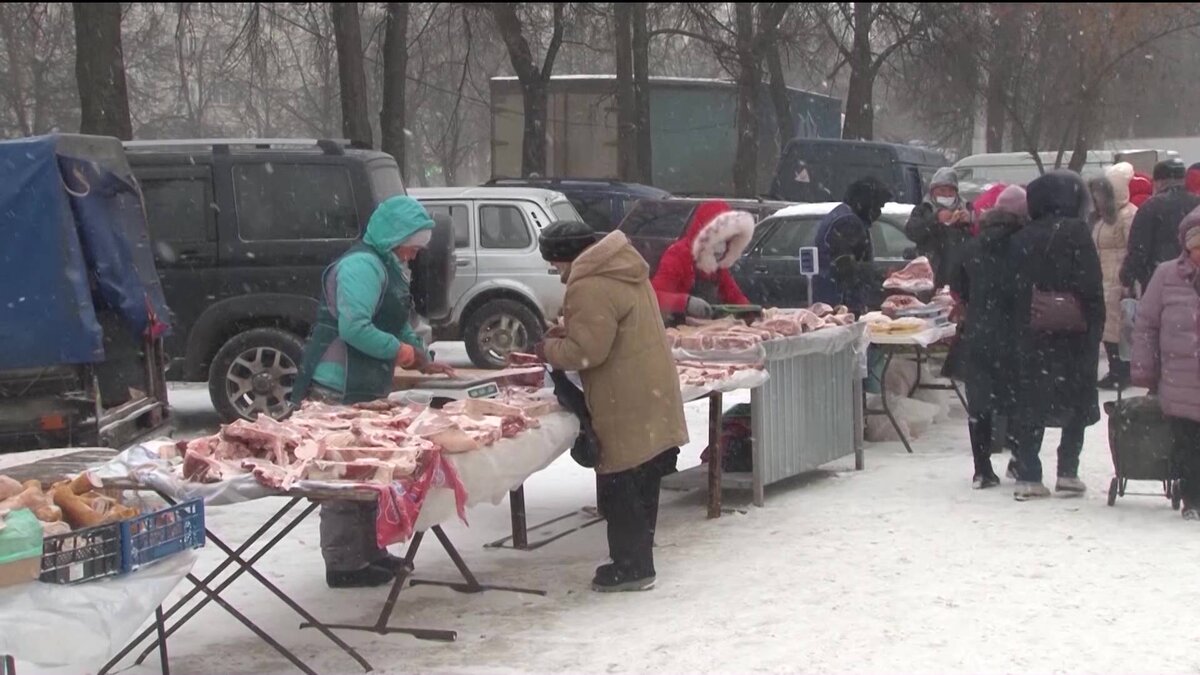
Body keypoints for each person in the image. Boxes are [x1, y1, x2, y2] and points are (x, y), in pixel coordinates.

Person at [290, 195, 456, 589]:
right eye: (413, 246)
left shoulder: (388, 264)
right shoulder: (360, 266)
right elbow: (356, 329)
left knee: (370, 472)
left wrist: (419, 355)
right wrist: (400, 352)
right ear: (397, 236)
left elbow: (393, 320)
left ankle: (370, 552)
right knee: (344, 478)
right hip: (337, 384)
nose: (415, 255)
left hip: (366, 384)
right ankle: (345, 563)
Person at [535, 221, 689, 591]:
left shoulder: (589, 283)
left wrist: (546, 349)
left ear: (563, 256)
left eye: (555, 266)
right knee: (643, 479)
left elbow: (586, 352)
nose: (558, 276)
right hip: (647, 391)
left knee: (621, 484)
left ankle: (630, 567)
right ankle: (638, 559)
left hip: (623, 398)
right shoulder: (624, 267)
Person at [1007, 170, 1105, 501]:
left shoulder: (1022, 235)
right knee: (1075, 401)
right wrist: (1094, 327)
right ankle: (1067, 471)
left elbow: (1014, 288)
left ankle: (1030, 473)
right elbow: (1092, 285)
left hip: (1031, 334)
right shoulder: (1077, 231)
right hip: (1073, 335)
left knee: (1031, 402)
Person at [951, 185, 1028, 489]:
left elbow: (957, 283)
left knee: (979, 404)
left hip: (979, 333)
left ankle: (982, 469)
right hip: (1016, 334)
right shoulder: (1025, 246)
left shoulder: (973, 246)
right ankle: (1019, 459)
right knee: (1019, 401)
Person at [1131, 205, 1200, 520]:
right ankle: (1193, 498)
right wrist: (1145, 369)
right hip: (1179, 379)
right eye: (1196, 246)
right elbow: (1146, 324)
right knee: (1188, 442)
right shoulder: (1166, 275)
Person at [651, 199, 756, 325]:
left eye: (726, 240)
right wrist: (685, 302)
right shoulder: (677, 255)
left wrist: (749, 311)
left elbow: (732, 293)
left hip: (705, 331)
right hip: (676, 330)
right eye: (718, 240)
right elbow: (653, 297)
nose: (722, 247)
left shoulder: (717, 264)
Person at [812, 176, 894, 314]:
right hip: (840, 302)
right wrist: (883, 275)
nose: (879, 212)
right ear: (868, 203)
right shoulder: (848, 222)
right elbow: (846, 267)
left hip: (829, 297)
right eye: (879, 206)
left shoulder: (840, 214)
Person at [1089, 162, 1138, 390]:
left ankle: (1122, 372)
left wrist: (1128, 279)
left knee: (1118, 329)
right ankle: (1115, 370)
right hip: (1103, 280)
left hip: (1119, 281)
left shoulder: (1128, 216)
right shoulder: (1101, 219)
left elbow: (1133, 248)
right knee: (1108, 329)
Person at [1120, 158, 1200, 292]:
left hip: (1158, 281)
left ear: (1158, 182)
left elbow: (1138, 249)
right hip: (1193, 280)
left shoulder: (1150, 207)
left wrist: (1127, 276)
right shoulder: (1196, 204)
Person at [905, 167, 973, 288]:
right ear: (932, 191)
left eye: (951, 191)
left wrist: (970, 221)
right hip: (930, 275)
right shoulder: (924, 209)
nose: (946, 195)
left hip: (960, 277)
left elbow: (979, 237)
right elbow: (912, 231)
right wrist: (935, 220)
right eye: (942, 190)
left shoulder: (967, 208)